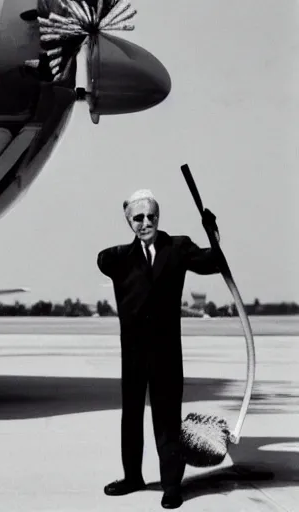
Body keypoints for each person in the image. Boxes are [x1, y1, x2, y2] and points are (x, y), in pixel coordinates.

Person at [97, 189, 221, 509]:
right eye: (138, 217)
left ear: (158, 217)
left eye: (151, 216)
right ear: (129, 221)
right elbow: (103, 259)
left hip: (166, 351)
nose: (146, 222)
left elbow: (212, 263)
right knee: (132, 416)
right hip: (134, 352)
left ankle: (171, 486)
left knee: (167, 418)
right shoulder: (120, 258)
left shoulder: (177, 247)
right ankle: (132, 477)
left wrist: (214, 235)